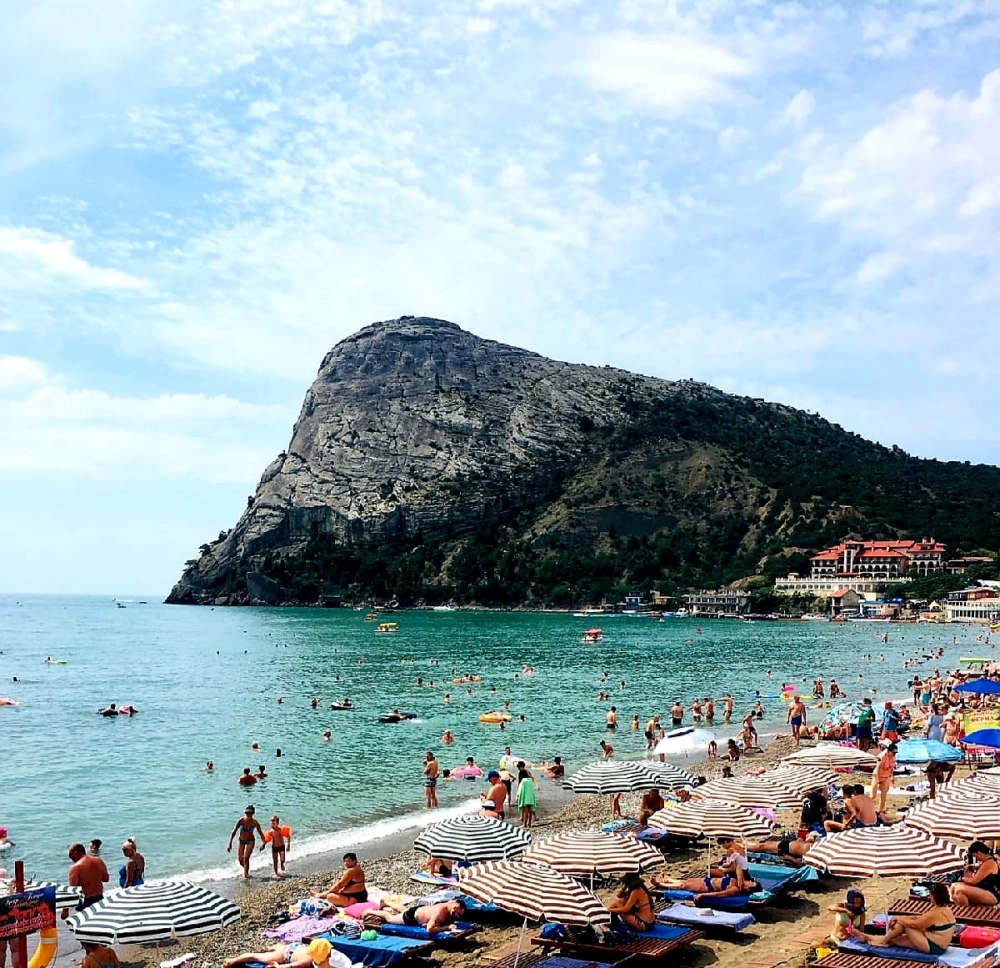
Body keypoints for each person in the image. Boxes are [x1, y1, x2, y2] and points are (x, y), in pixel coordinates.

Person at [860, 883, 955, 954]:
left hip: (933, 946)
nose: (929, 896)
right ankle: (867, 937)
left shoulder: (936, 913)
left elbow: (915, 924)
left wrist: (898, 919)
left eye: (930, 894)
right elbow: (921, 918)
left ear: (935, 896)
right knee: (895, 940)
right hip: (934, 943)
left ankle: (883, 941)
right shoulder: (944, 909)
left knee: (906, 925)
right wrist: (900, 918)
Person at [653, 837, 758, 899]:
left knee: (684, 885)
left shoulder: (736, 888)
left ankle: (661, 884)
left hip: (708, 887)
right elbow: (738, 867)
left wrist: (703, 895)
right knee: (688, 881)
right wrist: (740, 879)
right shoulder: (739, 881)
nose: (751, 881)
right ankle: (669, 879)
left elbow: (719, 894)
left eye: (751, 883)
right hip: (710, 881)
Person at [223, 938, 349, 968]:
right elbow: (290, 966)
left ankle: (275, 947)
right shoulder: (307, 961)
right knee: (257, 957)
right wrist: (277, 966)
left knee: (281, 949)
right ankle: (233, 961)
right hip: (288, 954)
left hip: (298, 947)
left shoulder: (332, 954)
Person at [374, 897, 467, 934]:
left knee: (405, 910)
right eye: (457, 913)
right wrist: (446, 927)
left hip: (421, 910)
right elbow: (429, 930)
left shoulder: (451, 903)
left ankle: (386, 902)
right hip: (412, 917)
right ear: (455, 907)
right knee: (390, 918)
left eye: (459, 915)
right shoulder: (439, 913)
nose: (457, 916)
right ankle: (369, 911)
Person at [951, 842, 1000, 906]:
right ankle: (959, 908)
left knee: (959, 890)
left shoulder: (989, 863)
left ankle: (965, 910)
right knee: (953, 886)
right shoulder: (990, 860)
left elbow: (973, 881)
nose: (976, 858)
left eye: (975, 856)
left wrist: (962, 878)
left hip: (992, 893)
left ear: (979, 853)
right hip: (985, 890)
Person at [66, 843, 109, 914]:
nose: (71, 860)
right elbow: (106, 879)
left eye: (70, 856)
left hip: (84, 902)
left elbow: (72, 891)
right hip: (99, 897)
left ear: (76, 853)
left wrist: (65, 910)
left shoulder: (75, 867)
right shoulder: (99, 861)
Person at [227, 805, 266, 879]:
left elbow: (261, 834)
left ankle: (245, 875)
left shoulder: (255, 823)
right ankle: (246, 870)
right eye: (246, 813)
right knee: (240, 860)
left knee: (246, 858)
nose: (248, 814)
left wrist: (263, 843)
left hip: (251, 841)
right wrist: (230, 844)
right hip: (241, 841)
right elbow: (234, 831)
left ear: (253, 813)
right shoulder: (241, 820)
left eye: (250, 813)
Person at [751, 831, 820, 867]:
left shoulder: (813, 854)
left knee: (762, 847)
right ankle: (749, 845)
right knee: (767, 843)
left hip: (785, 849)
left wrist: (789, 858)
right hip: (787, 844)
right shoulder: (816, 845)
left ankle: (747, 848)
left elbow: (800, 863)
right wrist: (801, 840)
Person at [871, 741, 897, 814]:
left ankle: (881, 810)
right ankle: (866, 807)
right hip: (877, 776)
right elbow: (878, 769)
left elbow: (891, 767)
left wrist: (892, 776)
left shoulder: (893, 757)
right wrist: (879, 781)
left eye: (895, 753)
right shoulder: (882, 756)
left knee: (884, 794)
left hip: (886, 776)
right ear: (889, 751)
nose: (894, 754)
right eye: (893, 753)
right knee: (873, 795)